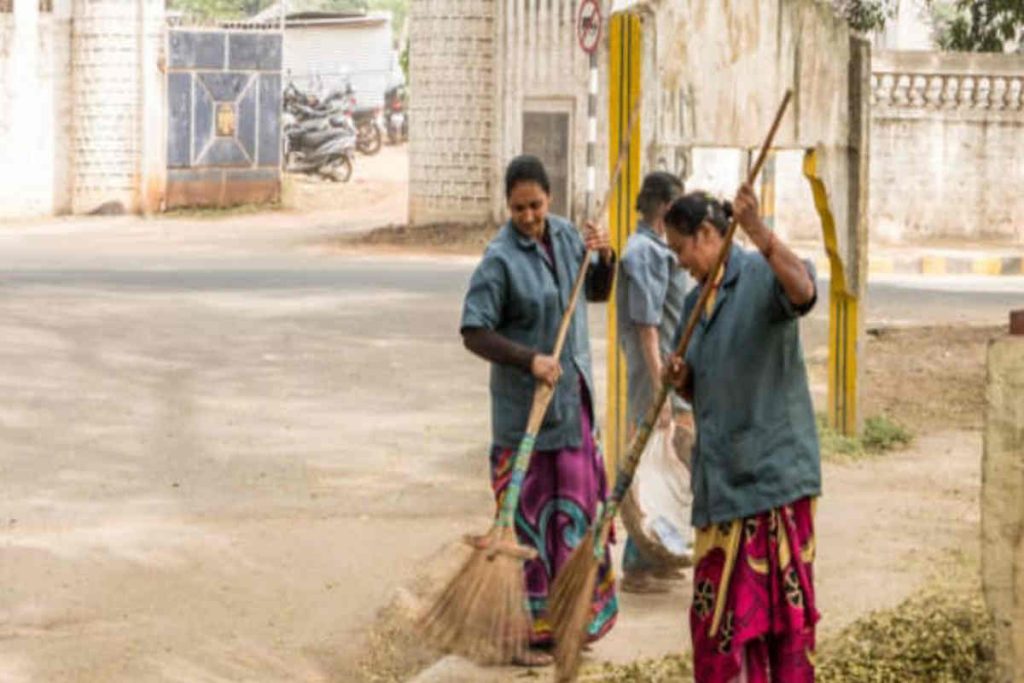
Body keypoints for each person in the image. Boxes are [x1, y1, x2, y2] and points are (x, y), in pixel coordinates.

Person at [459, 155, 619, 665]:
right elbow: (474, 331)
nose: (529, 215)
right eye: (519, 208)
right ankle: (526, 635)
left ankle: (573, 622)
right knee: (527, 531)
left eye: (536, 205)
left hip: (572, 411)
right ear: (507, 207)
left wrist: (606, 255)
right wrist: (530, 360)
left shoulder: (570, 237)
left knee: (571, 524)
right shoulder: (499, 259)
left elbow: (595, 292)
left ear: (551, 199)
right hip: (524, 419)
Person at [663, 185, 821, 682]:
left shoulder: (761, 275)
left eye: (682, 248)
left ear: (708, 234)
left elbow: (805, 292)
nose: (681, 261)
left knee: (784, 627)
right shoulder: (693, 305)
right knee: (716, 628)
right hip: (720, 486)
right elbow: (703, 390)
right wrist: (683, 381)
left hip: (773, 480)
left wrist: (759, 232)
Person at [615, 171, 695, 593]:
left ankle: (660, 553)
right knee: (649, 467)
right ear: (665, 207)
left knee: (670, 463)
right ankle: (638, 561)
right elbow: (646, 326)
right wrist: (659, 389)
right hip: (654, 375)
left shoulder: (659, 249)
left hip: (668, 370)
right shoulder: (642, 253)